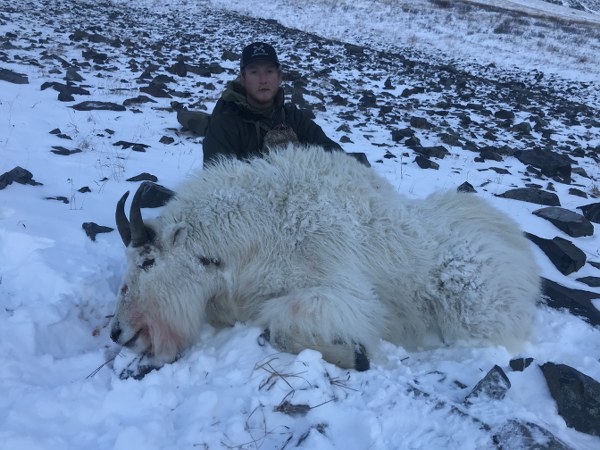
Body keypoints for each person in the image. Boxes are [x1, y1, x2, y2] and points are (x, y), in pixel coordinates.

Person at [202, 42, 369, 166]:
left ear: (279, 76)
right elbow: (216, 178)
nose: (263, 80)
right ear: (243, 78)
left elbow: (331, 151)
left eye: (269, 71)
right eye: (254, 72)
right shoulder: (225, 121)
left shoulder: (292, 116)